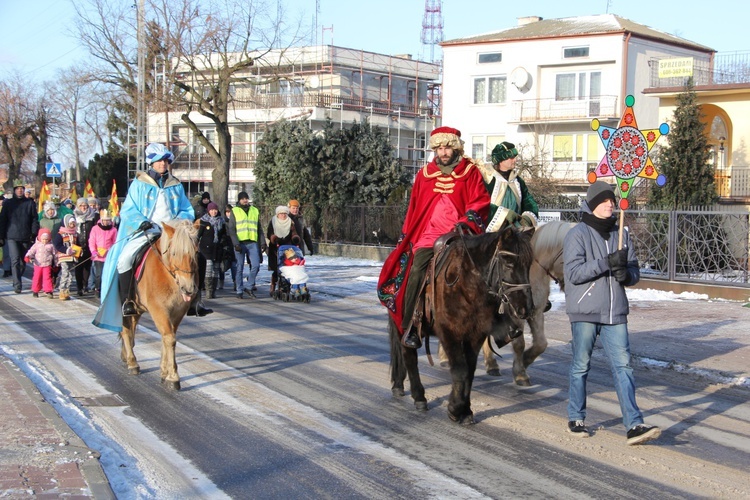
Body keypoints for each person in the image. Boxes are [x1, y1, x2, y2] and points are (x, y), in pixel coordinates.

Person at [563, 181, 661, 445]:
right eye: (605, 201)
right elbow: (573, 273)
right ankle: (576, 417)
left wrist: (625, 274)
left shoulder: (621, 233)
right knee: (581, 365)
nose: (611, 204)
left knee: (624, 366)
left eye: (612, 200)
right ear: (594, 203)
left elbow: (634, 272)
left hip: (615, 311)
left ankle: (634, 424)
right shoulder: (578, 234)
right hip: (585, 310)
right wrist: (606, 263)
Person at [377, 126, 490, 349]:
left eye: (447, 147)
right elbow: (415, 208)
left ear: (455, 147)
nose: (443, 152)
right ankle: (411, 325)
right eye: (439, 147)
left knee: (487, 269)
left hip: (460, 236)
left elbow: (480, 202)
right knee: (417, 268)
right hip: (429, 236)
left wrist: (466, 221)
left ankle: (491, 320)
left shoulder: (471, 172)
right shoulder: (424, 175)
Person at [93, 143, 197, 333]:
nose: (163, 164)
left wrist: (181, 221)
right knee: (124, 260)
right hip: (146, 231)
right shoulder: (139, 184)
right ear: (151, 163)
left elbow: (186, 209)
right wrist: (141, 221)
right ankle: (128, 302)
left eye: (165, 160)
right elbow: (129, 210)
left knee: (196, 256)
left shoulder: (176, 185)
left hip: (171, 233)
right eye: (159, 161)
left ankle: (196, 300)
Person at [0, 182, 40, 293]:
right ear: (14, 190)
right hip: (11, 236)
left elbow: (34, 219)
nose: (20, 191)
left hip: (26, 236)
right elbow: (3, 220)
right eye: (17, 189)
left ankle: (16, 278)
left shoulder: (30, 203)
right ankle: (17, 284)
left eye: (21, 189)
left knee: (22, 262)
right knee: (15, 260)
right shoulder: (8, 204)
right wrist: (1, 236)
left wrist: (34, 233)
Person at [227, 192, 265, 299]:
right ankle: (239, 290)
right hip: (240, 243)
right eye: (243, 199)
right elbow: (231, 229)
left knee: (256, 265)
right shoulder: (235, 211)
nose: (245, 200)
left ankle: (249, 286)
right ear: (239, 200)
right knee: (239, 267)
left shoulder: (254, 210)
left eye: (246, 198)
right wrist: (236, 243)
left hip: (252, 242)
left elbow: (259, 228)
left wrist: (263, 242)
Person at [266, 205, 300, 296]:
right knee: (276, 268)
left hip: (287, 246)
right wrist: (273, 237)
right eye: (281, 214)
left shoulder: (290, 222)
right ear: (278, 214)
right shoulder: (273, 221)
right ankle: (273, 284)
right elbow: (269, 232)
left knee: (289, 266)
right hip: (275, 247)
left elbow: (294, 232)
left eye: (285, 213)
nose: (283, 215)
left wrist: (295, 238)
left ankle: (286, 286)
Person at [197, 202, 226, 300]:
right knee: (208, 270)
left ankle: (213, 290)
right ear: (208, 211)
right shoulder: (204, 221)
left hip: (217, 250)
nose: (213, 212)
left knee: (216, 271)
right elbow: (198, 235)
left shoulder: (221, 221)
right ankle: (208, 292)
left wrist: (223, 244)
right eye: (211, 210)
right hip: (206, 250)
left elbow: (224, 235)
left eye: (215, 210)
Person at [88, 209, 117, 298]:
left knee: (107, 274)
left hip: (108, 256)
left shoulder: (113, 230)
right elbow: (92, 241)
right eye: (104, 220)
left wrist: (109, 250)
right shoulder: (95, 229)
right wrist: (93, 251)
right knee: (99, 274)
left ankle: (107, 290)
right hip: (98, 256)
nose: (106, 222)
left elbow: (115, 242)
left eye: (108, 220)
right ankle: (98, 288)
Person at [53, 214, 80, 301]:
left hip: (73, 257)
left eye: (73, 223)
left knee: (71, 274)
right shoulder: (61, 234)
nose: (72, 225)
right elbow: (57, 245)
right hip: (64, 257)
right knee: (65, 272)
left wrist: (79, 250)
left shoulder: (75, 234)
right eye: (70, 223)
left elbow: (77, 244)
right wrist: (66, 250)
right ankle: (62, 290)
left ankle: (67, 290)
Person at [24, 227, 56, 298]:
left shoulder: (51, 246)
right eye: (43, 239)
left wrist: (56, 264)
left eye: (46, 239)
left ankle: (48, 290)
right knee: (37, 277)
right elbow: (31, 251)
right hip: (38, 264)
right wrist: (28, 256)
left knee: (47, 277)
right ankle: (35, 290)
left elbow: (55, 255)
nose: (45, 241)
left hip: (47, 264)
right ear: (40, 238)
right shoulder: (37, 245)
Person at [73, 197, 95, 296]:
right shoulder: (73, 217)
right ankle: (79, 287)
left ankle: (85, 285)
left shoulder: (93, 216)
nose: (83, 207)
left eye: (85, 205)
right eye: (81, 205)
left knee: (87, 267)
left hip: (89, 245)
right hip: (77, 245)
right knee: (78, 267)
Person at [219, 204, 237, 291]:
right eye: (227, 212)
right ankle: (221, 281)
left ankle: (235, 281)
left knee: (234, 264)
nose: (228, 214)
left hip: (234, 245)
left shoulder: (236, 221)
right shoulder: (222, 222)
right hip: (224, 246)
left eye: (230, 212)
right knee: (222, 265)